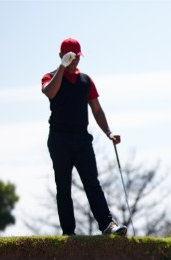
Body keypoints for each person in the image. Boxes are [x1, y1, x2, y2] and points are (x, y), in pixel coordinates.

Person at [41, 38, 127, 236]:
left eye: (77, 57)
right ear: (61, 56)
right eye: (70, 57)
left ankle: (108, 225)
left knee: (92, 182)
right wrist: (61, 68)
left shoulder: (86, 80)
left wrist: (108, 132)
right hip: (59, 139)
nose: (74, 61)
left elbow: (96, 109)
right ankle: (68, 232)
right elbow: (50, 93)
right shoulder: (50, 77)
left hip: (82, 139)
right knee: (63, 187)